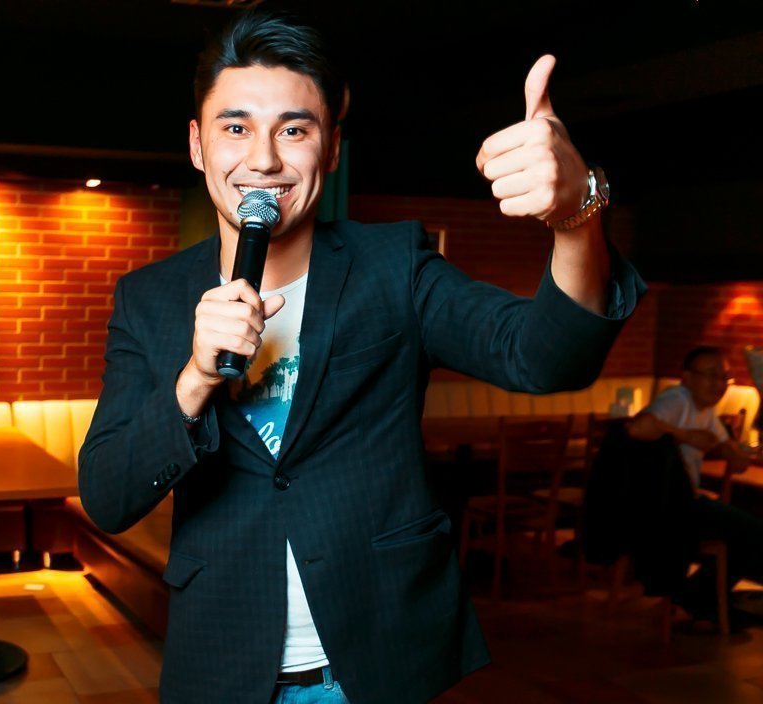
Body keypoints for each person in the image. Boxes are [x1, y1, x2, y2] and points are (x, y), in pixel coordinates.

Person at [78, 9, 645, 704]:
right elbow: (107, 496)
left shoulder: (393, 265)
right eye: (236, 128)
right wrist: (194, 379)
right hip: (223, 667)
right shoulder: (148, 299)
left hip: (380, 666)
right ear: (198, 145)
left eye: (294, 130)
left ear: (332, 149)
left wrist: (577, 215)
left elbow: (546, 359)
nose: (264, 160)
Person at [627, 346, 763, 623]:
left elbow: (735, 459)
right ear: (687, 378)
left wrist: (735, 450)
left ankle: (699, 598)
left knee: (747, 532)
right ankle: (696, 598)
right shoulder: (677, 399)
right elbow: (636, 428)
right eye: (711, 375)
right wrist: (686, 436)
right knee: (753, 532)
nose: (719, 384)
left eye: (724, 377)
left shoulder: (706, 412)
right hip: (661, 509)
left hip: (681, 503)